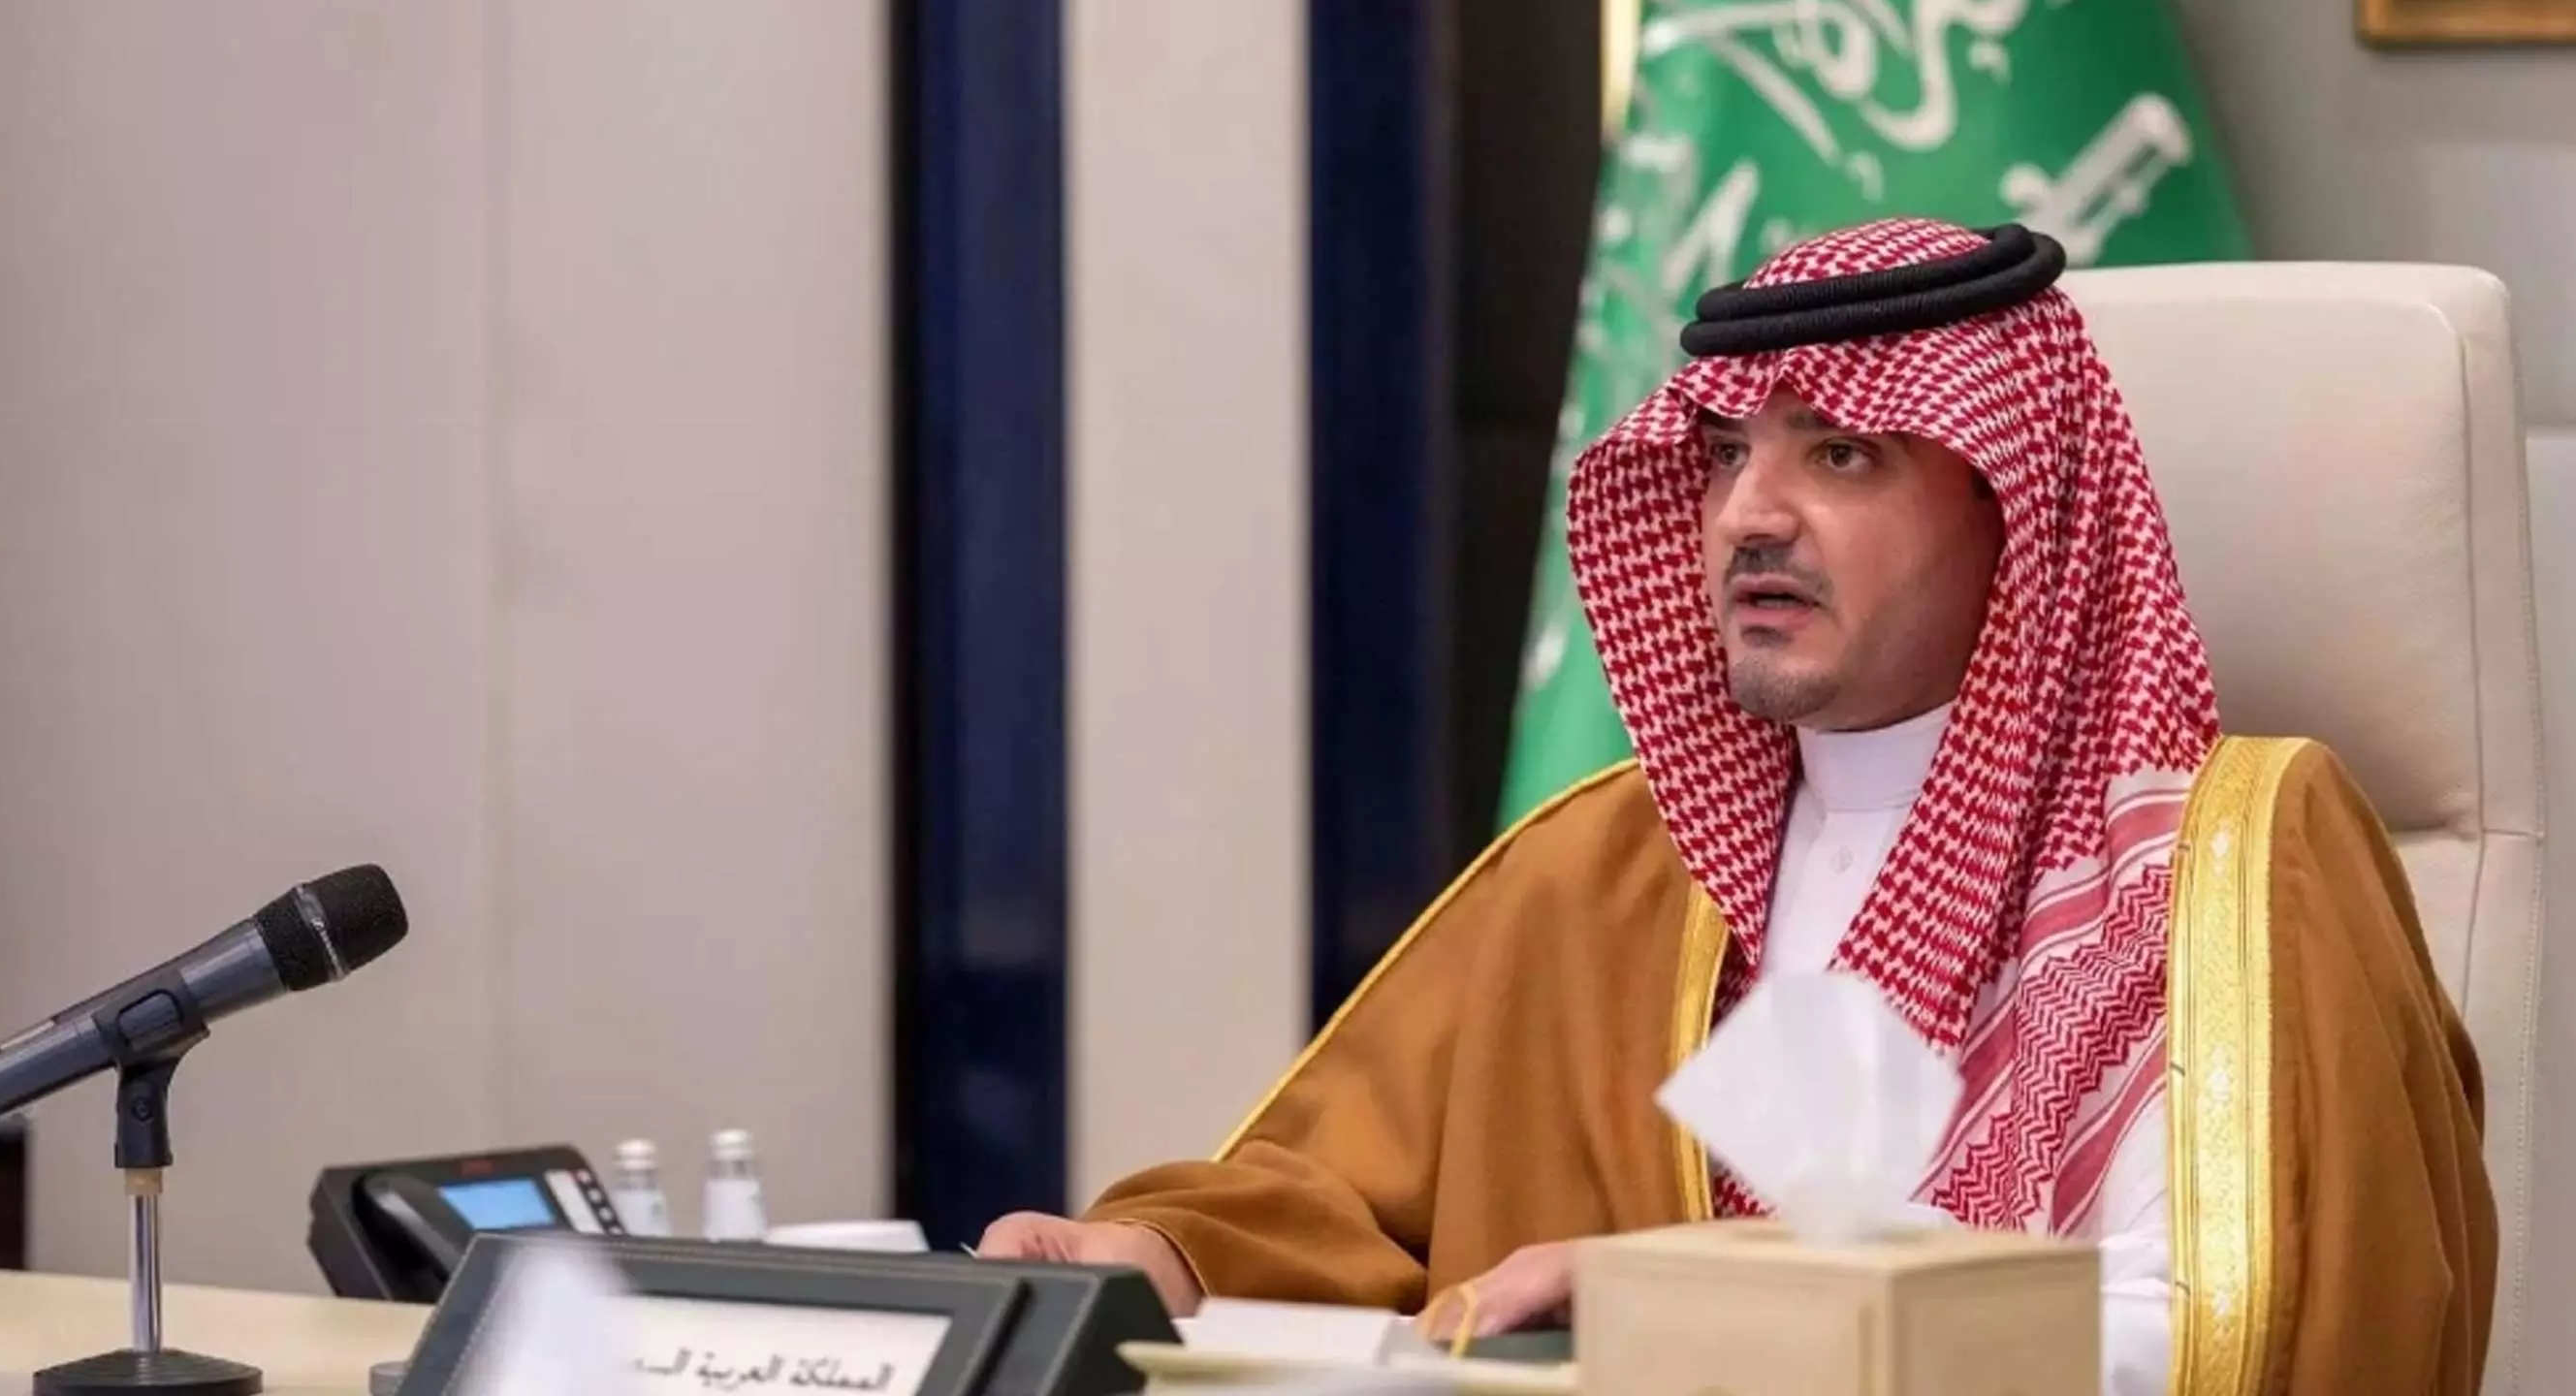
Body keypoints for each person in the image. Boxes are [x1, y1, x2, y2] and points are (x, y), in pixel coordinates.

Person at [977, 219, 2496, 1394]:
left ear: (2017, 504)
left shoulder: (2230, 865)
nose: (1748, 517)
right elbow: (1341, 1201)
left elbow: (2232, 1324)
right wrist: (1155, 1261)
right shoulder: (1607, 873)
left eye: (1840, 452)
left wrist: (1702, 1306)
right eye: (1720, 457)